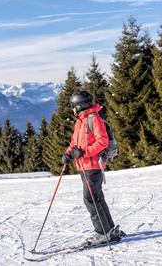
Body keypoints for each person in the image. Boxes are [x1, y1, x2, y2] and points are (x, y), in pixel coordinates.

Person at [62, 90, 121, 245]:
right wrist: (68, 154)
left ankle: (102, 233)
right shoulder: (80, 121)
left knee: (90, 199)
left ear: (79, 105)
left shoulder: (94, 119)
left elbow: (102, 142)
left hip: (93, 165)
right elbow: (75, 143)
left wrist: (84, 153)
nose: (72, 108)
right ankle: (110, 229)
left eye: (73, 105)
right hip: (83, 166)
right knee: (97, 198)